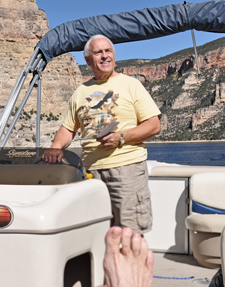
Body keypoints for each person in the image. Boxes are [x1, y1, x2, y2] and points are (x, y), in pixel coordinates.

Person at [42, 34, 161, 234]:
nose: (105, 56)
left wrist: (121, 137)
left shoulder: (131, 85)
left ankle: (132, 266)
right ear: (88, 60)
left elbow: (153, 125)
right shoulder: (80, 92)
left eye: (108, 51)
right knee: (95, 233)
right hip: (90, 173)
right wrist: (55, 147)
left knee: (130, 233)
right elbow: (68, 128)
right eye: (98, 52)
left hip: (127, 169)